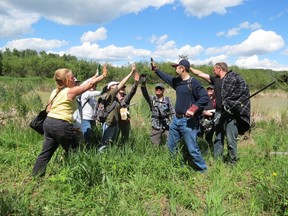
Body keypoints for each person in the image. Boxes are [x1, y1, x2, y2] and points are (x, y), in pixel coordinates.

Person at [32, 66, 107, 177]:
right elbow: (89, 85)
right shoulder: (69, 91)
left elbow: (48, 109)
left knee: (46, 152)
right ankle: (78, 177)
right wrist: (103, 76)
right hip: (60, 124)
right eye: (72, 78)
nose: (74, 79)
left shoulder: (55, 92)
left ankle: (36, 176)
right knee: (76, 151)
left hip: (48, 123)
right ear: (65, 81)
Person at [151, 59, 209, 172]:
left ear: (182, 68)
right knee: (171, 146)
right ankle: (177, 167)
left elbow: (204, 97)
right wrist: (156, 70)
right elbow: (166, 78)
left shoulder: (193, 82)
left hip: (188, 121)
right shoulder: (178, 82)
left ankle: (203, 170)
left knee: (192, 148)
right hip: (176, 120)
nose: (175, 69)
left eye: (176, 67)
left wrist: (193, 108)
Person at [190, 62, 250, 165]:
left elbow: (241, 92)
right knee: (218, 138)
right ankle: (217, 160)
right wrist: (188, 67)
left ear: (219, 69)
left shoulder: (233, 79)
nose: (213, 71)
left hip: (231, 114)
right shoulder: (215, 80)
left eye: (214, 69)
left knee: (231, 140)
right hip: (218, 113)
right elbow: (200, 74)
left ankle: (232, 162)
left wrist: (229, 103)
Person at [98, 64, 136, 151]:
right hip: (109, 123)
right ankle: (100, 159)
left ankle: (108, 158)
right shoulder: (110, 95)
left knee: (111, 144)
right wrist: (131, 73)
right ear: (110, 88)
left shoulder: (116, 98)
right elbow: (122, 83)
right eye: (115, 85)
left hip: (115, 124)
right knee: (105, 144)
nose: (117, 86)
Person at [140, 80, 175, 146]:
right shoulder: (152, 99)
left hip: (167, 124)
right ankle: (156, 154)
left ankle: (168, 154)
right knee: (154, 144)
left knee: (170, 142)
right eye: (157, 88)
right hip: (156, 124)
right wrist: (143, 83)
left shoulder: (167, 99)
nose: (158, 90)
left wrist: (173, 123)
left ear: (163, 90)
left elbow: (173, 112)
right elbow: (145, 93)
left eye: (160, 88)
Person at [117, 72, 139, 143]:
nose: (122, 88)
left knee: (125, 138)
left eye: (124, 87)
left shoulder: (126, 97)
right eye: (121, 87)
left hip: (124, 120)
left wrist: (136, 83)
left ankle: (123, 150)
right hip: (115, 120)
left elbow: (132, 91)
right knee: (114, 137)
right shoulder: (113, 97)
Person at [79, 78, 102, 148]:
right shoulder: (85, 93)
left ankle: (90, 149)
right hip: (85, 119)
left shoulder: (93, 97)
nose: (94, 87)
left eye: (95, 86)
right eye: (92, 85)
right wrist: (103, 91)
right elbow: (92, 94)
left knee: (91, 136)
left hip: (92, 119)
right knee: (86, 136)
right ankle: (85, 150)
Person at [199, 85, 216, 155]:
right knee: (200, 137)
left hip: (211, 122)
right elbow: (198, 108)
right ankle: (202, 152)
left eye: (211, 89)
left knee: (209, 138)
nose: (209, 90)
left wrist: (213, 111)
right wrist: (204, 112)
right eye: (208, 89)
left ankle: (212, 153)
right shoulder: (202, 99)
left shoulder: (216, 100)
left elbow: (219, 109)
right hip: (201, 121)